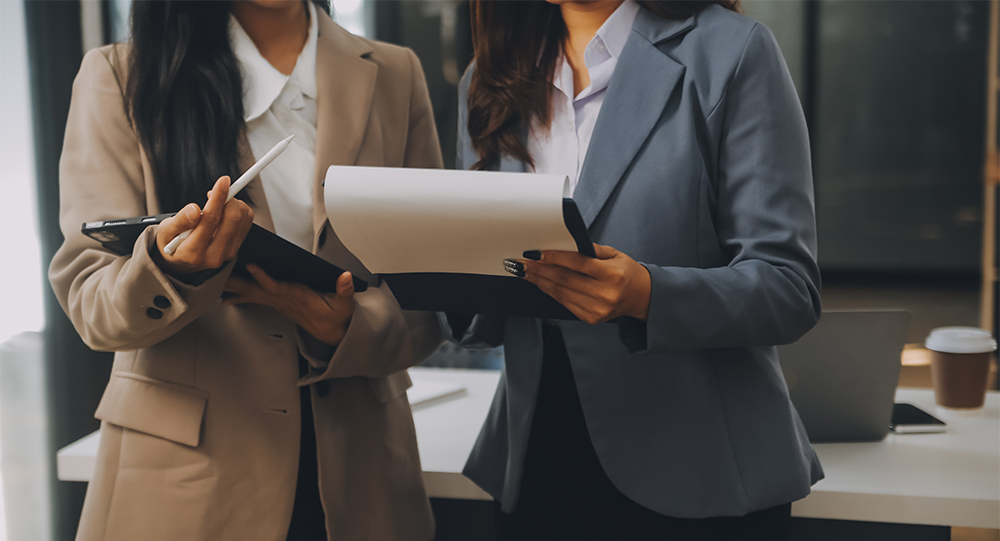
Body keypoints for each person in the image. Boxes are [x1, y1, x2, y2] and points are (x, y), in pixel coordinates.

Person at [49, 1, 442, 539]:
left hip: (361, 470)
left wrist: (345, 331)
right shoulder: (120, 77)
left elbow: (434, 295)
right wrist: (168, 270)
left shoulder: (396, 73)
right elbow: (90, 301)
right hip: (188, 484)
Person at [443, 1, 824, 539]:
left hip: (697, 471)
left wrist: (648, 295)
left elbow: (790, 287)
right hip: (536, 461)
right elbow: (483, 281)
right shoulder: (488, 79)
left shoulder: (732, 52)